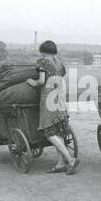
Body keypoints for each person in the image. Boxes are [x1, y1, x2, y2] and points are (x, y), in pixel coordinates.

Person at [27, 40, 79, 175]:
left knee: (49, 133)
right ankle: (60, 164)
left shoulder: (42, 61)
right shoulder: (59, 63)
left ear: (43, 51)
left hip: (48, 98)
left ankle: (70, 159)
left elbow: (41, 81)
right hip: (59, 97)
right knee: (58, 131)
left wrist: (32, 82)